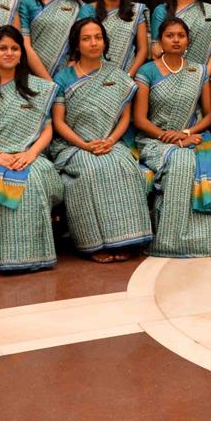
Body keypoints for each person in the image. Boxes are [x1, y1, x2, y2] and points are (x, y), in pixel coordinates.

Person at [0, 26, 63, 274]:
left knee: (34, 177)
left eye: (14, 48)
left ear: (22, 53)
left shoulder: (38, 87)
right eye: (3, 48)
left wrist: (31, 154)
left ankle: (34, 256)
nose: (9, 53)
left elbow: (47, 129)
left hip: (29, 153)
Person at [50, 19, 152, 261]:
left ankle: (128, 239)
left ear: (105, 42)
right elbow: (59, 122)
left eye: (98, 37)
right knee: (92, 170)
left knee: (125, 166)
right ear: (76, 43)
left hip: (110, 141)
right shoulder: (63, 79)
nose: (93, 43)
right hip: (73, 146)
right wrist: (84, 145)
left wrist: (110, 141)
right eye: (86, 38)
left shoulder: (117, 75)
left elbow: (125, 117)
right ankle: (95, 244)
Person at [133, 18, 211, 257]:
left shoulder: (198, 71)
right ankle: (170, 238)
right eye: (170, 35)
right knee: (181, 161)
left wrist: (186, 133)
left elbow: (208, 116)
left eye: (181, 36)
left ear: (188, 40)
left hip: (192, 134)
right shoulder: (147, 71)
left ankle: (201, 237)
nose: (176, 40)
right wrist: (171, 138)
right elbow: (140, 119)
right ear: (160, 40)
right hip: (154, 140)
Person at [76, 0, 148, 74]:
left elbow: (143, 49)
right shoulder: (88, 10)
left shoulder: (136, 11)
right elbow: (80, 46)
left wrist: (129, 76)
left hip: (127, 75)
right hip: (93, 74)